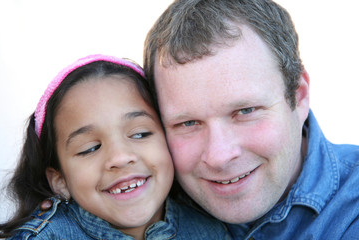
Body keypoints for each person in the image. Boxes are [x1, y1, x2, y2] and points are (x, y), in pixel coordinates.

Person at [143, 0, 359, 239]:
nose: (219, 156)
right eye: (188, 123)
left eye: (246, 111)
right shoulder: (134, 206)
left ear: (299, 96)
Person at [0, 54, 231, 239]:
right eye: (90, 148)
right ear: (60, 182)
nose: (120, 157)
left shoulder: (211, 230)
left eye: (140, 134)